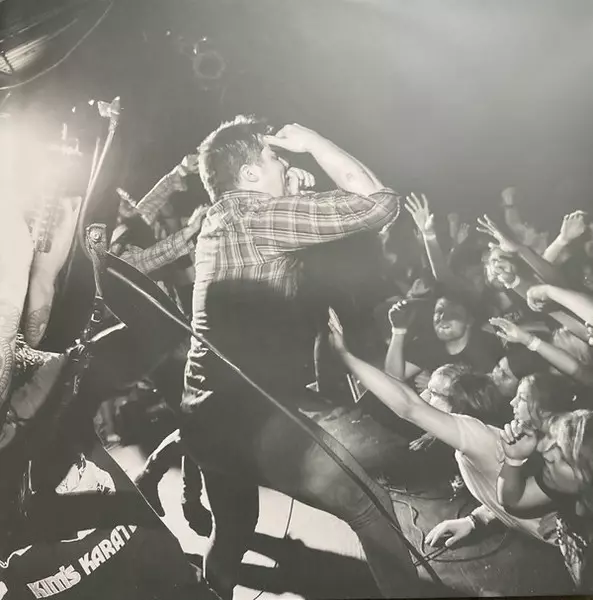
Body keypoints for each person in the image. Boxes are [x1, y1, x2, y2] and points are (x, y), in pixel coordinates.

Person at [180, 116, 424, 599]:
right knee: (367, 503)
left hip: (204, 413)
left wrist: (289, 191)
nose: (284, 162)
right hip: (252, 416)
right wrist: (314, 142)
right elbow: (379, 205)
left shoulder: (218, 219)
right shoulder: (259, 218)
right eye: (274, 158)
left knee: (233, 529)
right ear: (250, 174)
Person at [328, 315, 569, 545]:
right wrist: (475, 520)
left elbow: (409, 406)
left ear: (456, 405)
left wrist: (345, 355)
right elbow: (504, 485)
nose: (425, 397)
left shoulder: (478, 435)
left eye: (434, 394)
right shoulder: (486, 436)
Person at [497, 409, 593, 591]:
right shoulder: (568, 487)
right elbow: (513, 501)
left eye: (563, 456)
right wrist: (513, 460)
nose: (545, 454)